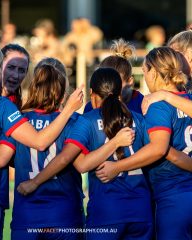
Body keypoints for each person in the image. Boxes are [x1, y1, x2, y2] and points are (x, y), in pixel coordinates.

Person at [0, 42, 83, 240]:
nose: (16, 74)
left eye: (22, 70)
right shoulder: (4, 107)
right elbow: (38, 143)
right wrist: (69, 109)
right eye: (11, 67)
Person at [16, 68, 153, 240]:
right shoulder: (139, 119)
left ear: (92, 94)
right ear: (120, 92)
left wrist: (34, 182)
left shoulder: (85, 120)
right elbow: (155, 152)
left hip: (106, 212)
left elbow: (79, 164)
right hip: (140, 211)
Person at [94, 47, 192, 240]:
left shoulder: (158, 105)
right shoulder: (187, 100)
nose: (144, 77)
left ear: (154, 72)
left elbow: (158, 149)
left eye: (145, 71)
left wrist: (117, 167)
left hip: (171, 196)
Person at [84, 38, 143, 114]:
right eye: (105, 81)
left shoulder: (141, 102)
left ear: (130, 81)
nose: (110, 87)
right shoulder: (91, 106)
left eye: (117, 82)